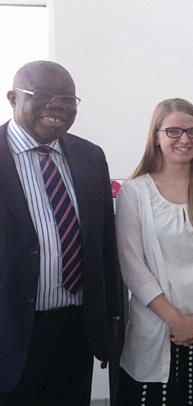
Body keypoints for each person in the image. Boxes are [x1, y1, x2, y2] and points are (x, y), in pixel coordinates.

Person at [0, 60, 122, 405]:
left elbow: (104, 244)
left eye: (67, 99)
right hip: (11, 329)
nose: (57, 106)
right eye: (43, 95)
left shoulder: (89, 156)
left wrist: (109, 316)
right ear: (13, 98)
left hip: (76, 328)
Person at [114, 98, 193, 405]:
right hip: (157, 329)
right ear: (156, 136)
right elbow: (132, 265)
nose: (185, 139)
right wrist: (176, 321)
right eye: (174, 131)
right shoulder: (135, 192)